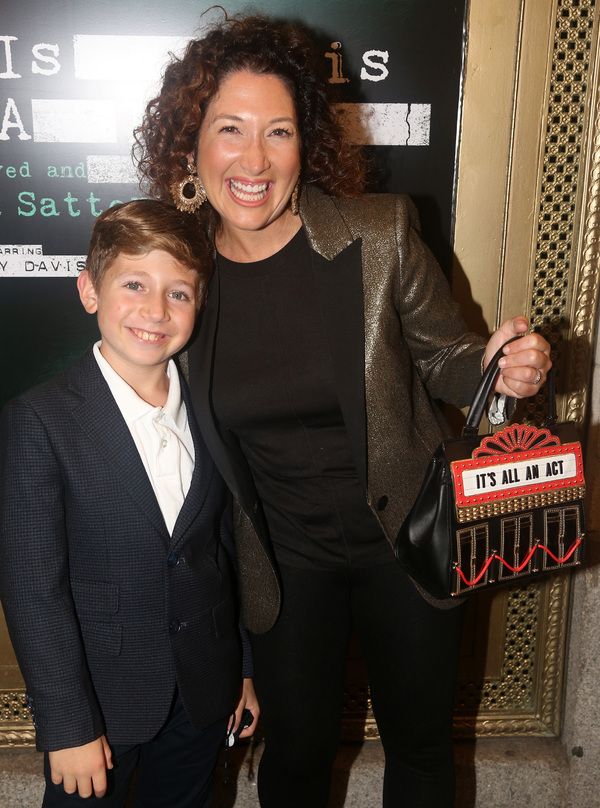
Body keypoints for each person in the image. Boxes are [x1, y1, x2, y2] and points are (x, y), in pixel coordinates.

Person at [135, 14, 552, 807]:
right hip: (283, 563)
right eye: (230, 129)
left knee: (420, 746)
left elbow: (445, 355)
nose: (254, 159)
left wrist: (501, 368)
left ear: (306, 146)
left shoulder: (378, 235)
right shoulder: (179, 274)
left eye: (279, 132)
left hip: (410, 540)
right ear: (191, 146)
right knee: (295, 753)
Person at [0, 199, 258, 808]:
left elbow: (225, 554)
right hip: (100, 707)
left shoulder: (211, 412)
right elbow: (33, 589)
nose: (156, 309)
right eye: (134, 284)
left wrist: (243, 667)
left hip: (203, 693)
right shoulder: (40, 420)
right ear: (90, 290)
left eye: (179, 293)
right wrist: (68, 725)